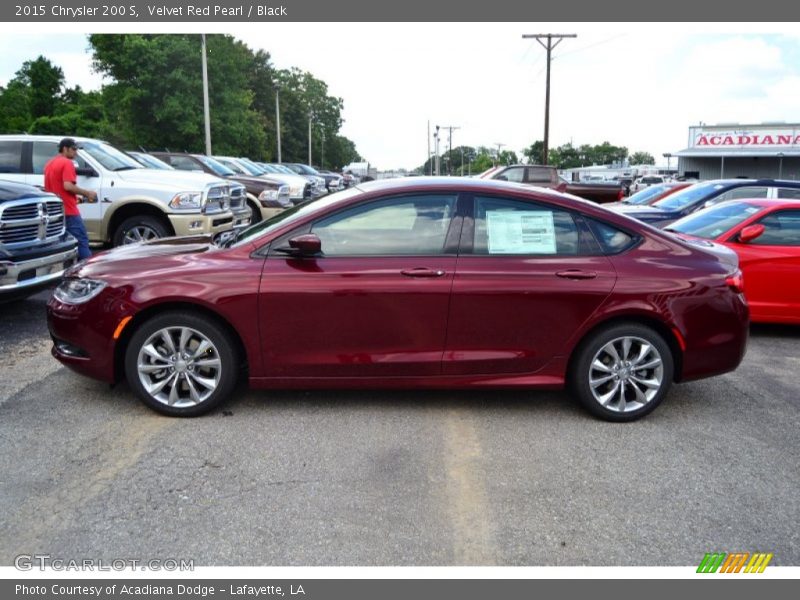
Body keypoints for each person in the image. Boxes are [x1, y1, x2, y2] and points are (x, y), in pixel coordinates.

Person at [44, 138, 97, 260]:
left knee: (64, 246)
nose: (76, 152)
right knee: (82, 242)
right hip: (69, 212)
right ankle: (86, 273)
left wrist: (75, 198)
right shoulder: (67, 163)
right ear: (65, 149)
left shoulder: (49, 164)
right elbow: (67, 186)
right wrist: (87, 193)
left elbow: (56, 189)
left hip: (55, 213)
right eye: (73, 149)